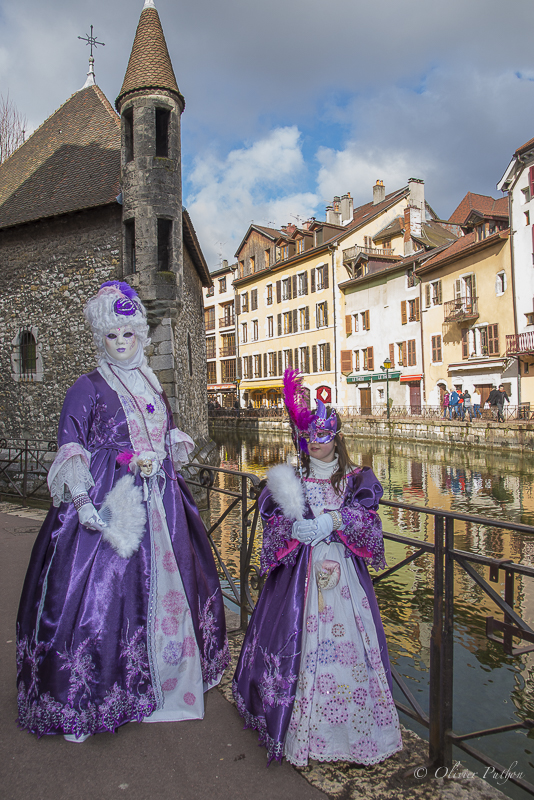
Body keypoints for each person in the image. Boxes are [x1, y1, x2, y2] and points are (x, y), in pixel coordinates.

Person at [16, 282, 229, 741]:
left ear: (139, 335)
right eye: (110, 336)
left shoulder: (153, 383)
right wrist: (82, 503)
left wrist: (160, 460)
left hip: (163, 502)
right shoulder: (87, 387)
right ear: (101, 338)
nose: (119, 344)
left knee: (175, 582)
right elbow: (71, 446)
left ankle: (167, 674)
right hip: (111, 501)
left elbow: (167, 433)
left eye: (126, 335)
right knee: (99, 594)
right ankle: (96, 692)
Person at [232, 370, 402, 767]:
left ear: (337, 438)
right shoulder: (291, 479)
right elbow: (272, 526)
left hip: (344, 581)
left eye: (325, 436)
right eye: (311, 437)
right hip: (300, 581)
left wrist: (337, 521)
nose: (318, 444)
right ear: (301, 439)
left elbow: (370, 523)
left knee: (349, 651)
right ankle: (297, 727)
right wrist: (294, 527)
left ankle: (351, 732)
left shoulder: (357, 479)